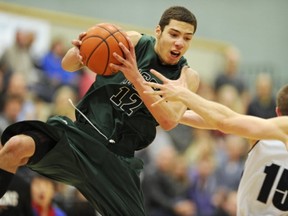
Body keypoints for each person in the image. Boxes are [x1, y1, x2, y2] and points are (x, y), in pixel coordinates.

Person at [0, 6, 199, 216]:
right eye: (174, 34)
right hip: (80, 138)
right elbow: (68, 65)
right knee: (15, 146)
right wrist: (79, 51)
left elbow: (168, 121)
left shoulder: (186, 77)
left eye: (187, 38)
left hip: (118, 160)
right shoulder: (133, 42)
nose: (180, 42)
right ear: (158, 31)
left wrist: (136, 79)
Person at [143, 70, 288, 215]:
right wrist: (173, 115)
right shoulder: (266, 134)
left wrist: (181, 97)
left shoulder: (263, 136)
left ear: (277, 113)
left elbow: (223, 121)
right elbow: (219, 122)